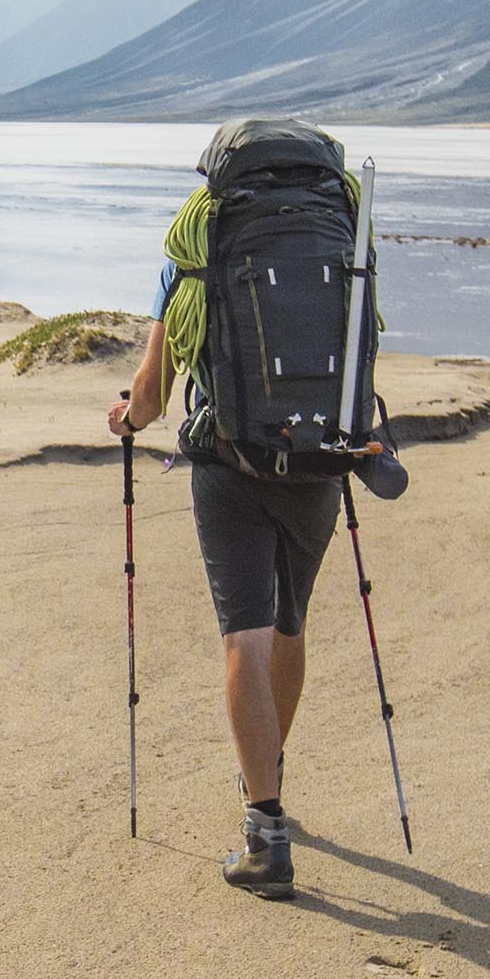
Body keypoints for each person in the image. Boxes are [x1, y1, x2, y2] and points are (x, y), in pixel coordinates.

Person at [101, 122, 376, 901]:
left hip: (229, 464)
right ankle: (270, 776)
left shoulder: (199, 242)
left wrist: (126, 416)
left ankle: (266, 831)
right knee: (288, 624)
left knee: (243, 636)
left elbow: (151, 397)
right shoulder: (343, 237)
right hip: (320, 466)